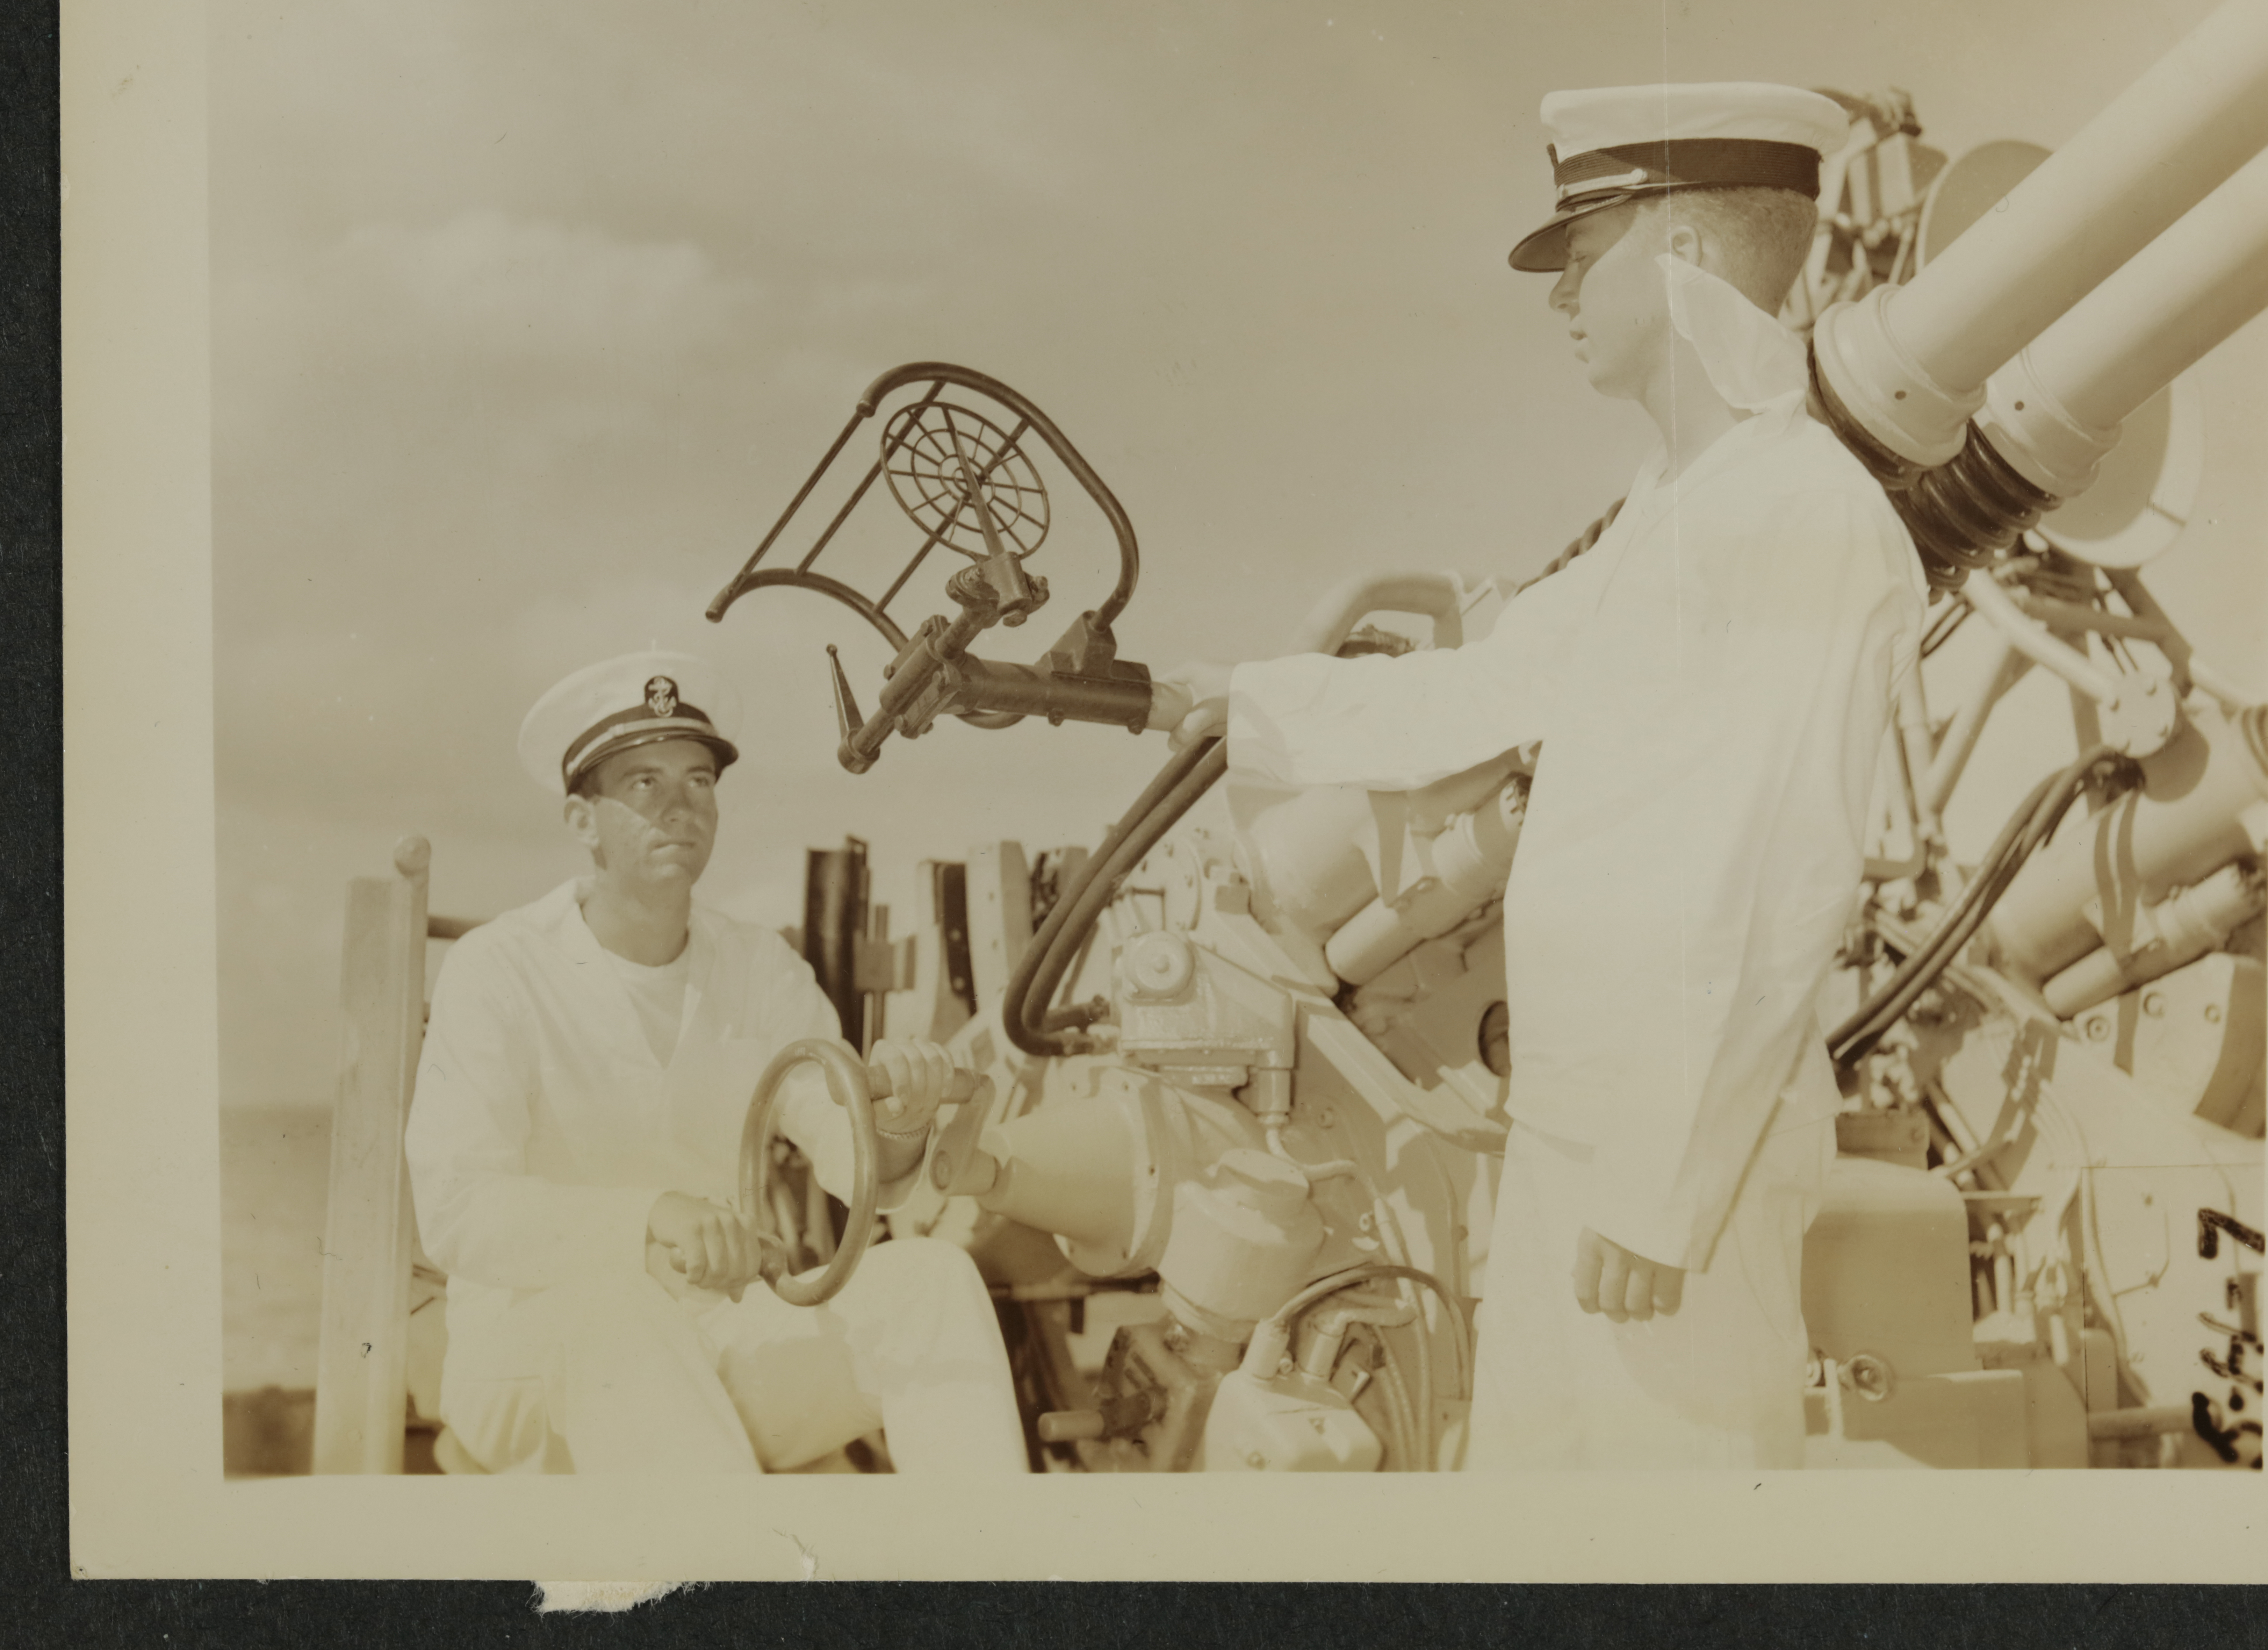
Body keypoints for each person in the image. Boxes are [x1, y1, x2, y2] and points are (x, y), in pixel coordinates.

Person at [1151, 84, 1924, 1469]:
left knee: (1670, 1542)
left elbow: (1780, 875)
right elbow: (1476, 689)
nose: (1561, 287)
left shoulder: (1803, 516)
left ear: (1684, 253)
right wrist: (1224, 696)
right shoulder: (1669, 512)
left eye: (1588, 244)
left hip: (1673, 1161)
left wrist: (1660, 1180)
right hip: (1573, 1129)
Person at [405, 650, 1029, 1475]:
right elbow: (459, 1210)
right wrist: (650, 1215)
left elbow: (858, 1162)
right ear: (581, 821)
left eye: (699, 782)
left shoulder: (758, 969)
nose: (679, 809)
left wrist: (904, 1123)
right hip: (535, 1359)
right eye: (643, 785)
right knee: (619, 1310)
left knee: (931, 1281)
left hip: (712, 1342)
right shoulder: (499, 968)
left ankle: (987, 1582)